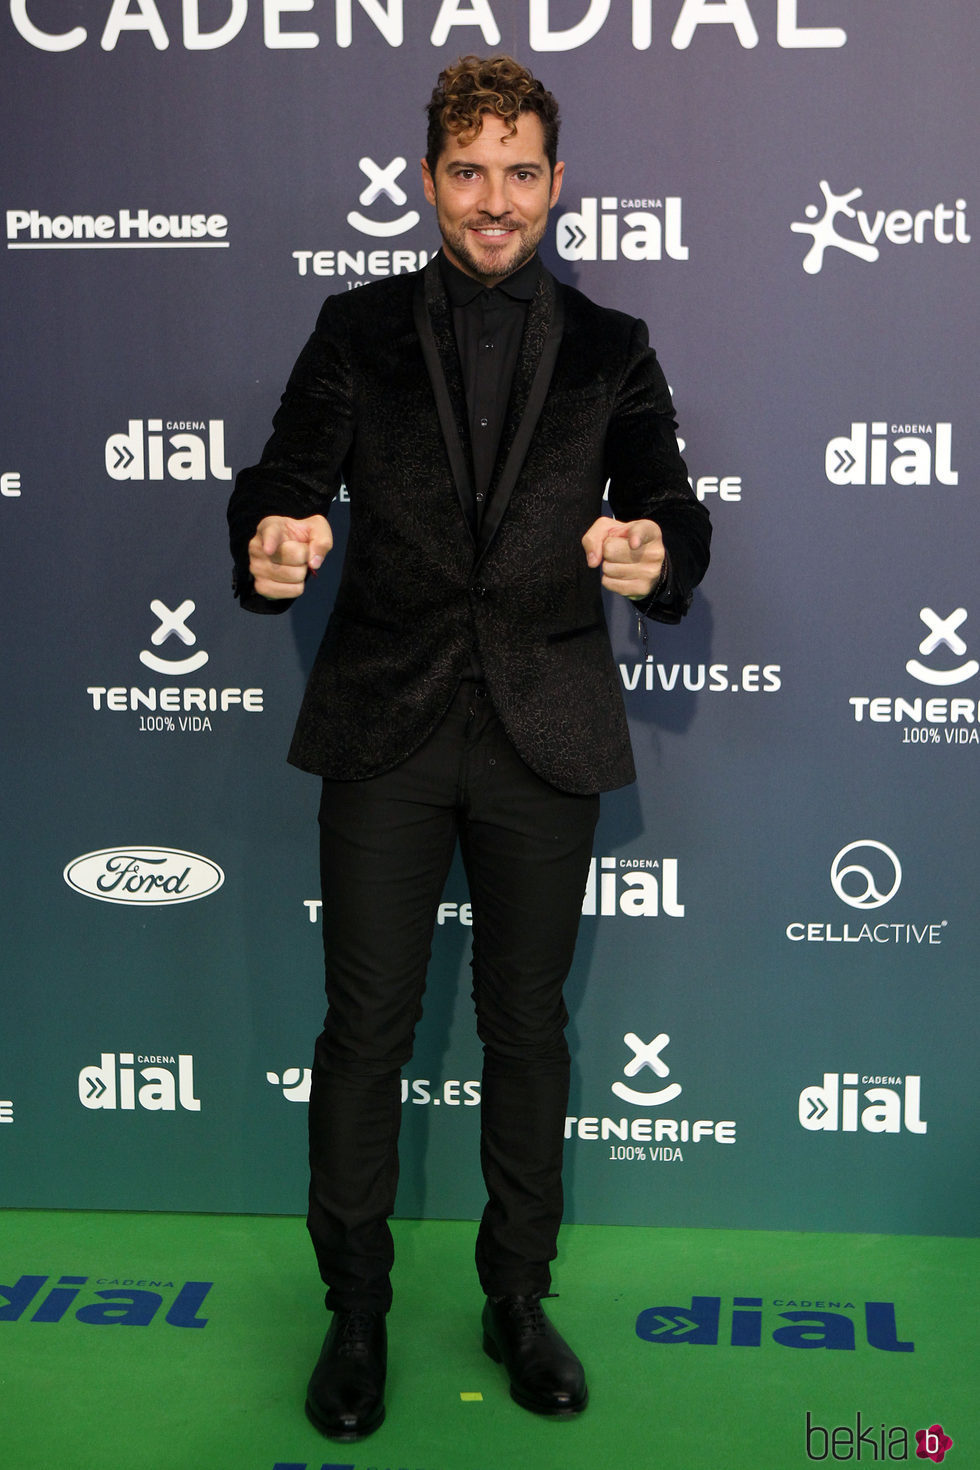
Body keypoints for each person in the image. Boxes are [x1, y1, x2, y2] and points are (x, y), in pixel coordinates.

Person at [227, 53, 711, 1443]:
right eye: (466, 170)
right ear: (428, 179)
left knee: (525, 1032)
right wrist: (274, 534)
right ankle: (358, 1309)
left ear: (555, 184)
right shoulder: (354, 329)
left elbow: (670, 498)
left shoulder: (614, 346)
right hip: (386, 719)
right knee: (364, 1031)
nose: (493, 200)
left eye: (518, 171)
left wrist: (655, 546)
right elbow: (281, 472)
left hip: (543, 727)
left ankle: (515, 1298)